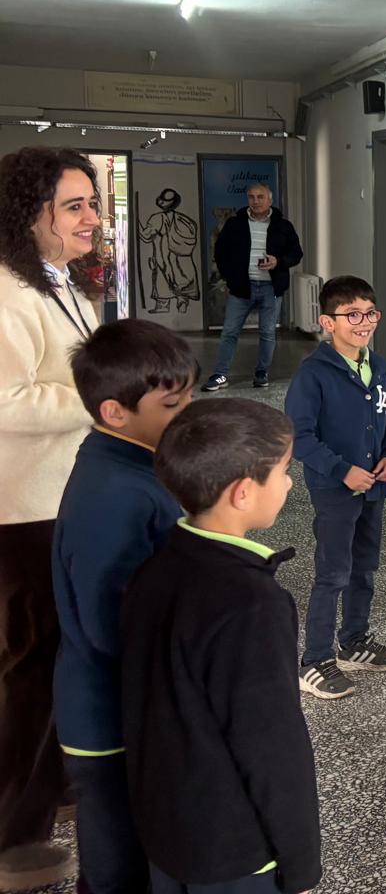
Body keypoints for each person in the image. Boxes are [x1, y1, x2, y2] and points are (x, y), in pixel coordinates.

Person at [121, 399, 321, 894]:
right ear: (242, 493)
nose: (289, 484)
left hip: (164, 826)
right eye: (283, 472)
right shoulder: (253, 603)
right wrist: (300, 861)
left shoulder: (155, 568)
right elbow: (271, 744)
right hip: (233, 847)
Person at [54, 320, 196, 893]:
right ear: (115, 412)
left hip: (128, 706)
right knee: (116, 869)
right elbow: (110, 623)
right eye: (172, 405)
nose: (186, 414)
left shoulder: (134, 465)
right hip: (109, 718)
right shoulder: (117, 494)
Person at [0, 146, 102, 891]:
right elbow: (7, 401)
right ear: (29, 216)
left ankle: (56, 779)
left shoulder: (59, 281)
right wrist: (103, 400)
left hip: (65, 499)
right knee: (30, 667)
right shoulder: (8, 294)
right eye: (73, 206)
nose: (91, 218)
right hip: (22, 512)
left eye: (92, 203)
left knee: (65, 650)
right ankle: (13, 837)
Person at [284, 275, 386, 701]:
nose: (364, 322)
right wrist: (341, 471)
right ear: (327, 322)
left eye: (370, 313)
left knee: (364, 567)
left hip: (373, 487)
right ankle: (314, 660)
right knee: (333, 573)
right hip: (335, 490)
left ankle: (354, 641)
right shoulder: (314, 374)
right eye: (352, 314)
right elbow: (299, 436)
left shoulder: (378, 366)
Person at [203, 183, 302, 392]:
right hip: (241, 288)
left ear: (270, 200)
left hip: (271, 288)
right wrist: (230, 277)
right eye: (251, 197)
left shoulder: (283, 225)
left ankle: (261, 372)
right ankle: (220, 374)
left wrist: (278, 262)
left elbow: (296, 253)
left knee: (267, 333)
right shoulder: (234, 224)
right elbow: (220, 252)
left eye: (260, 197)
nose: (255, 201)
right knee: (229, 332)